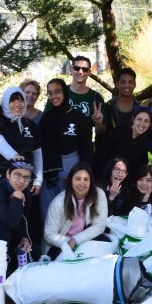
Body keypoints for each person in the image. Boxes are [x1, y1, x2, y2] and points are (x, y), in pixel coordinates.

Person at [0, 86, 44, 250]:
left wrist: (38, 179)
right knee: (3, 215)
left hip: (25, 180)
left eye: (21, 100)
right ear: (6, 101)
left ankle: (23, 251)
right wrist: (13, 156)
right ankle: (2, 252)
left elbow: (38, 152)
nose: (18, 104)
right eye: (13, 100)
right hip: (2, 179)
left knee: (23, 216)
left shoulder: (28, 123)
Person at [39, 78, 93, 221]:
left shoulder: (79, 118)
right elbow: (39, 146)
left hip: (71, 165)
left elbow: (86, 148)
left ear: (65, 92)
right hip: (49, 168)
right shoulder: (47, 118)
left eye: (57, 92)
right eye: (50, 93)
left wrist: (79, 172)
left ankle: (68, 241)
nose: (53, 96)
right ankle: (48, 242)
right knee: (47, 208)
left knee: (70, 208)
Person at [43, 163, 109, 254]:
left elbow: (100, 224)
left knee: (107, 246)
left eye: (86, 179)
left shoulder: (98, 194)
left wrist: (75, 240)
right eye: (78, 179)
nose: (82, 183)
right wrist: (68, 242)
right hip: (62, 243)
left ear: (91, 181)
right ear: (71, 180)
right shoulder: (59, 201)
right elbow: (49, 234)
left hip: (83, 238)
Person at [93, 108, 152, 182]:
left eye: (146, 121)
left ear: (149, 124)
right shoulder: (117, 133)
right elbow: (101, 156)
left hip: (127, 182)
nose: (142, 124)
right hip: (106, 177)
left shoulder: (144, 140)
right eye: (139, 119)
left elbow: (141, 164)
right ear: (133, 119)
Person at [64, 55, 106, 133]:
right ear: (71, 70)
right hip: (60, 144)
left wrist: (99, 123)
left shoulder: (95, 97)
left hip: (84, 144)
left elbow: (101, 133)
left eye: (85, 69)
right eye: (77, 68)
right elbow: (47, 122)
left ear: (89, 72)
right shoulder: (60, 93)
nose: (80, 72)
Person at [100, 67, 146, 135]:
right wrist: (98, 123)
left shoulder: (139, 108)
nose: (127, 85)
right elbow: (100, 133)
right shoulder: (108, 107)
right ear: (117, 84)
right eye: (123, 82)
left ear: (135, 84)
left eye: (130, 82)